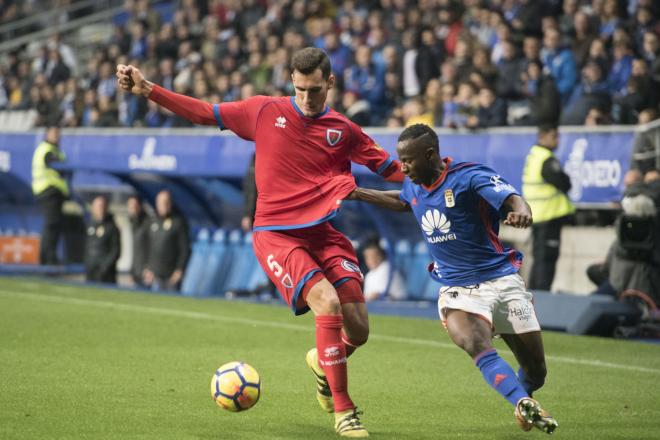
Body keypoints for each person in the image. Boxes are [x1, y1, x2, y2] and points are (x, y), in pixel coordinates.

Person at [117, 47, 404, 438]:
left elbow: (393, 170)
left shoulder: (345, 131)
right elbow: (205, 112)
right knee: (327, 301)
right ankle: (344, 411)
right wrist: (150, 89)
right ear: (291, 82)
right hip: (276, 234)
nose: (306, 98)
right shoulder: (264, 111)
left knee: (358, 330)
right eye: (300, 89)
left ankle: (323, 363)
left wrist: (445, 177)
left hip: (324, 234)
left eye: (315, 90)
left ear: (330, 83)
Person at [348, 124, 558, 434]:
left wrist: (521, 211)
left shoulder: (469, 177)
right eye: (400, 160)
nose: (403, 167)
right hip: (457, 288)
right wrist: (357, 193)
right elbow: (404, 200)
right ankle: (520, 401)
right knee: (473, 341)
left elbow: (512, 198)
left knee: (536, 371)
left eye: (408, 160)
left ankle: (525, 396)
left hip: (501, 280)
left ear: (430, 155)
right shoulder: (415, 183)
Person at [522, 124, 575, 291]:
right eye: (554, 137)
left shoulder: (534, 155)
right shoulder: (546, 158)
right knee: (546, 260)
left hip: (538, 216)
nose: (557, 141)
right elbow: (564, 183)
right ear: (542, 137)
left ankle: (534, 294)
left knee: (539, 259)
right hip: (549, 216)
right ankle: (542, 298)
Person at [31, 126, 69, 265]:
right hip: (49, 191)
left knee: (54, 225)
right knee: (51, 225)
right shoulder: (47, 150)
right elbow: (56, 166)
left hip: (53, 192)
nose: (57, 136)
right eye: (54, 133)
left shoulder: (55, 150)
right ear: (47, 134)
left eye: (58, 133)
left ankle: (49, 256)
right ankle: (47, 258)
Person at [143, 190, 190, 291]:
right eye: (160, 203)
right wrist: (147, 267)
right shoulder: (152, 222)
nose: (162, 205)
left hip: (171, 276)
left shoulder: (178, 223)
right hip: (153, 275)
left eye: (165, 202)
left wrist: (179, 270)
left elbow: (185, 249)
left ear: (170, 203)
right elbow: (146, 247)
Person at [84, 195, 120, 283]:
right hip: (90, 270)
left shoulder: (112, 227)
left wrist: (105, 267)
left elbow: (116, 251)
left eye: (102, 206)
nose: (100, 209)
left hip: (106, 273)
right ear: (93, 208)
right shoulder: (90, 225)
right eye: (98, 206)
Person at [127, 195, 150, 286]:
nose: (132, 208)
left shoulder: (147, 223)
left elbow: (151, 248)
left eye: (135, 205)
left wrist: (148, 268)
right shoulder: (133, 223)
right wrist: (131, 270)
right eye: (130, 206)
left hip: (146, 272)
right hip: (136, 270)